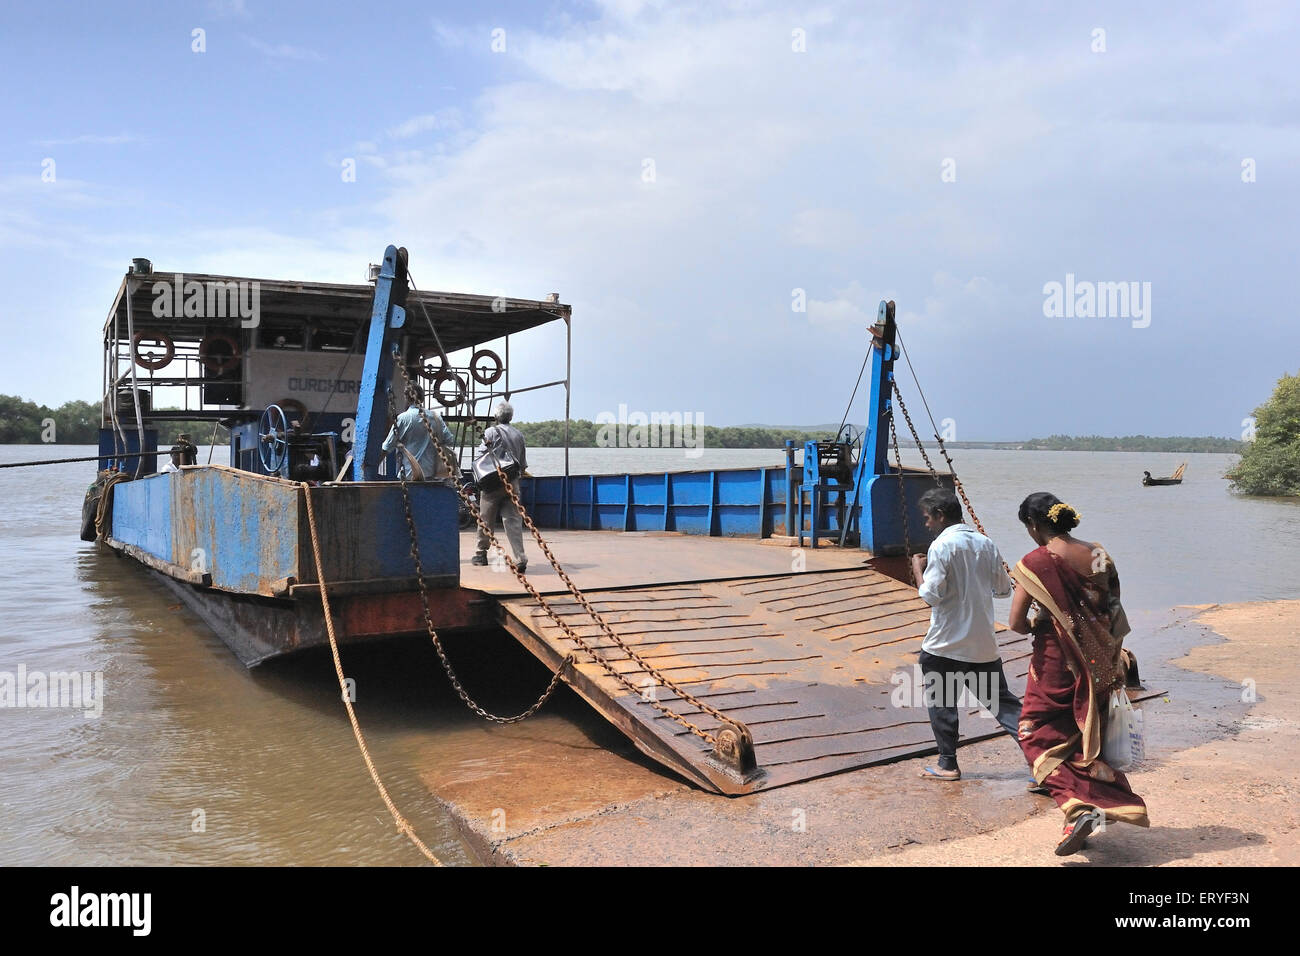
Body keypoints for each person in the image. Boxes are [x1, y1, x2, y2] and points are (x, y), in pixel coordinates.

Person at [1008, 492, 1148, 856]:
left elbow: (1016, 624)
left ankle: (1077, 806)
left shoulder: (1034, 562)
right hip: (1101, 660)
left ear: (1034, 525)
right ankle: (1094, 810)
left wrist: (1042, 616)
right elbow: (1114, 610)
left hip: (1057, 664)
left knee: (1035, 733)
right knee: (1084, 736)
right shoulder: (1099, 553)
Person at [910, 487, 1022, 781]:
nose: (926, 525)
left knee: (943, 704)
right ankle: (1044, 759)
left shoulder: (941, 546)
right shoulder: (986, 543)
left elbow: (930, 596)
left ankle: (948, 764)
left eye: (927, 518)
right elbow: (1003, 590)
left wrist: (918, 569)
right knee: (1003, 704)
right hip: (983, 645)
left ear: (940, 515)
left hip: (945, 645)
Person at [472, 401, 528, 572]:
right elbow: (523, 465)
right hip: (512, 482)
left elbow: (481, 455)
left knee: (485, 519)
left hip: (492, 484)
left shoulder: (490, 432)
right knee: (513, 521)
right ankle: (520, 557)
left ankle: (481, 554)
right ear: (511, 417)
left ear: (496, 416)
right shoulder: (519, 435)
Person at [381, 384, 455, 482]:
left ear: (406, 398)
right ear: (423, 399)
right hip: (433, 475)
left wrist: (372, 467)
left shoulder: (403, 418)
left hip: (409, 475)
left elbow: (387, 447)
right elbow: (449, 440)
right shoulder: (436, 418)